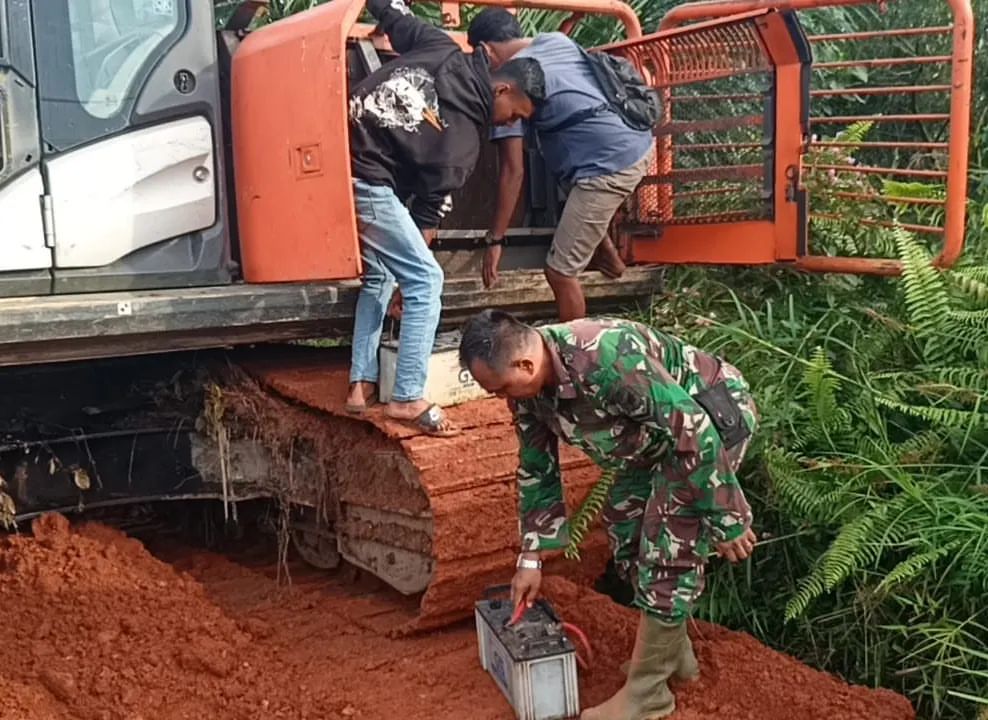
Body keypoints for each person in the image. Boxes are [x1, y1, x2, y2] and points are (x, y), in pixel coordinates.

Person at [458, 310, 759, 720]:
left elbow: (692, 427)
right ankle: (675, 659)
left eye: (500, 389)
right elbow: (536, 467)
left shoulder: (604, 358)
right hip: (655, 441)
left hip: (710, 421)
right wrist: (531, 557)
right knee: (626, 523)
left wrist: (725, 515)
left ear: (525, 365)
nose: (500, 399)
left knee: (669, 544)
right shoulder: (529, 392)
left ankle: (647, 694)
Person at [345, 0, 505, 436]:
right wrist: (410, 278)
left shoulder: (440, 45)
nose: (513, 125)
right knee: (426, 281)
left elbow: (395, 18)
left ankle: (360, 385)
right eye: (519, 113)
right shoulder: (463, 148)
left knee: (379, 276)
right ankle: (407, 397)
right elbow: (427, 219)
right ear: (504, 91)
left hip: (344, 152)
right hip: (371, 182)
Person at [467, 9, 655, 321]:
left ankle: (575, 354)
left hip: (609, 167)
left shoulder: (507, 87)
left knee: (560, 273)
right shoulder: (554, 40)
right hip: (634, 139)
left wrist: (495, 239)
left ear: (486, 51)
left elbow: (513, 172)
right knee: (562, 170)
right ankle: (605, 253)